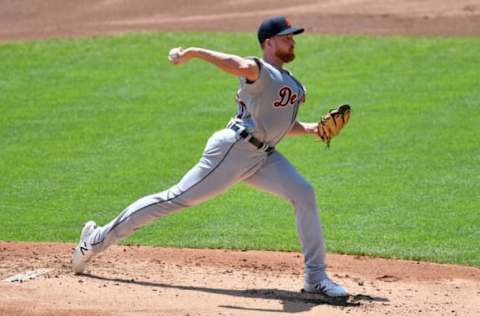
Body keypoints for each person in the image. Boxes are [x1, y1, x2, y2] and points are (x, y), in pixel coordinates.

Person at [72, 15, 348, 298]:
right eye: (286, 36)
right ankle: (94, 240)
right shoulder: (258, 69)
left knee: (304, 193)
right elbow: (237, 65)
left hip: (263, 157)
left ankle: (315, 278)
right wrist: (194, 52)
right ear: (269, 43)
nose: (292, 41)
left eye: (292, 36)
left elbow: (278, 125)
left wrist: (314, 129)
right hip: (234, 150)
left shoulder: (289, 81)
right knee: (174, 199)